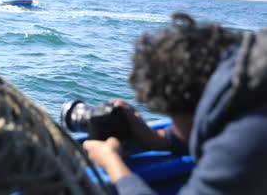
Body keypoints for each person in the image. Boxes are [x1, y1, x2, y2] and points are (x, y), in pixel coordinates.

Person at [83, 12, 267, 194]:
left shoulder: (247, 141)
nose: (174, 124)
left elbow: (239, 144)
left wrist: (112, 163)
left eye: (170, 115)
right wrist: (158, 139)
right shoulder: (250, 71)